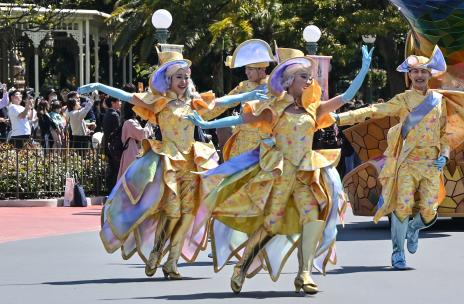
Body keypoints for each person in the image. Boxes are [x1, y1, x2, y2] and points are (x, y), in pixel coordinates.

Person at [189, 45, 372, 294]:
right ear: (288, 81)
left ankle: (304, 273)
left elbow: (346, 98)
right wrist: (205, 122)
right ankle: (242, 266)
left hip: (306, 174)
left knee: (313, 217)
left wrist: (363, 70)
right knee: (271, 224)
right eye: (304, 76)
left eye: (310, 76)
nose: (309, 81)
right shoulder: (273, 108)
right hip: (280, 175)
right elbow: (241, 119)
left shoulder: (312, 109)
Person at [80, 55, 266, 279]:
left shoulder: (194, 103)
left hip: (192, 164)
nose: (184, 80)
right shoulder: (159, 103)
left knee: (188, 214)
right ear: (168, 79)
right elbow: (128, 96)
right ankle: (157, 252)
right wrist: (100, 86)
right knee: (172, 212)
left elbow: (223, 102)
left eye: (186, 77)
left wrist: (250, 95)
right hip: (168, 162)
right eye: (179, 76)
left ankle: (172, 261)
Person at [333, 46, 464, 270]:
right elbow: (374, 109)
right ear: (409, 76)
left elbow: (444, 134)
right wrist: (340, 117)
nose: (419, 75)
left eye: (423, 71)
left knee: (430, 212)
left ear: (430, 75)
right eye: (415, 72)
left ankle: (413, 228)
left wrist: (444, 155)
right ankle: (397, 252)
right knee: (402, 207)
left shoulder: (439, 100)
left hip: (431, 164)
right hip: (406, 163)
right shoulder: (402, 100)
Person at [204, 39, 275, 159]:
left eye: (250, 69)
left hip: (265, 142)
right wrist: (202, 115)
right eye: (246, 69)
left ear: (262, 69)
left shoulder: (274, 86)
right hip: (242, 141)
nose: (246, 72)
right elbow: (227, 102)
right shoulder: (244, 86)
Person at [117, 99, 152, 179]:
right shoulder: (129, 122)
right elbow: (142, 134)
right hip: (131, 154)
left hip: (131, 152)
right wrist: (150, 123)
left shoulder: (131, 121)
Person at [101, 96, 123, 190]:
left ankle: (110, 189)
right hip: (114, 147)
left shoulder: (107, 114)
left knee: (111, 169)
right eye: (119, 101)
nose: (120, 103)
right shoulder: (114, 115)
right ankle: (114, 190)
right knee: (116, 170)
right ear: (113, 103)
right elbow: (118, 131)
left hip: (107, 145)